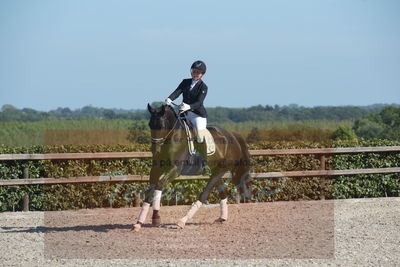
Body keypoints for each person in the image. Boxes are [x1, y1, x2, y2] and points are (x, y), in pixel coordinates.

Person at [165, 60, 209, 161]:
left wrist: (189, 106)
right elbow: (177, 92)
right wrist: (170, 99)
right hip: (184, 113)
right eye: (194, 71)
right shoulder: (185, 82)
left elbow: (199, 102)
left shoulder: (203, 87)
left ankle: (204, 160)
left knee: (199, 136)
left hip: (198, 115)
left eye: (198, 72)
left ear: (202, 74)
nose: (195, 73)